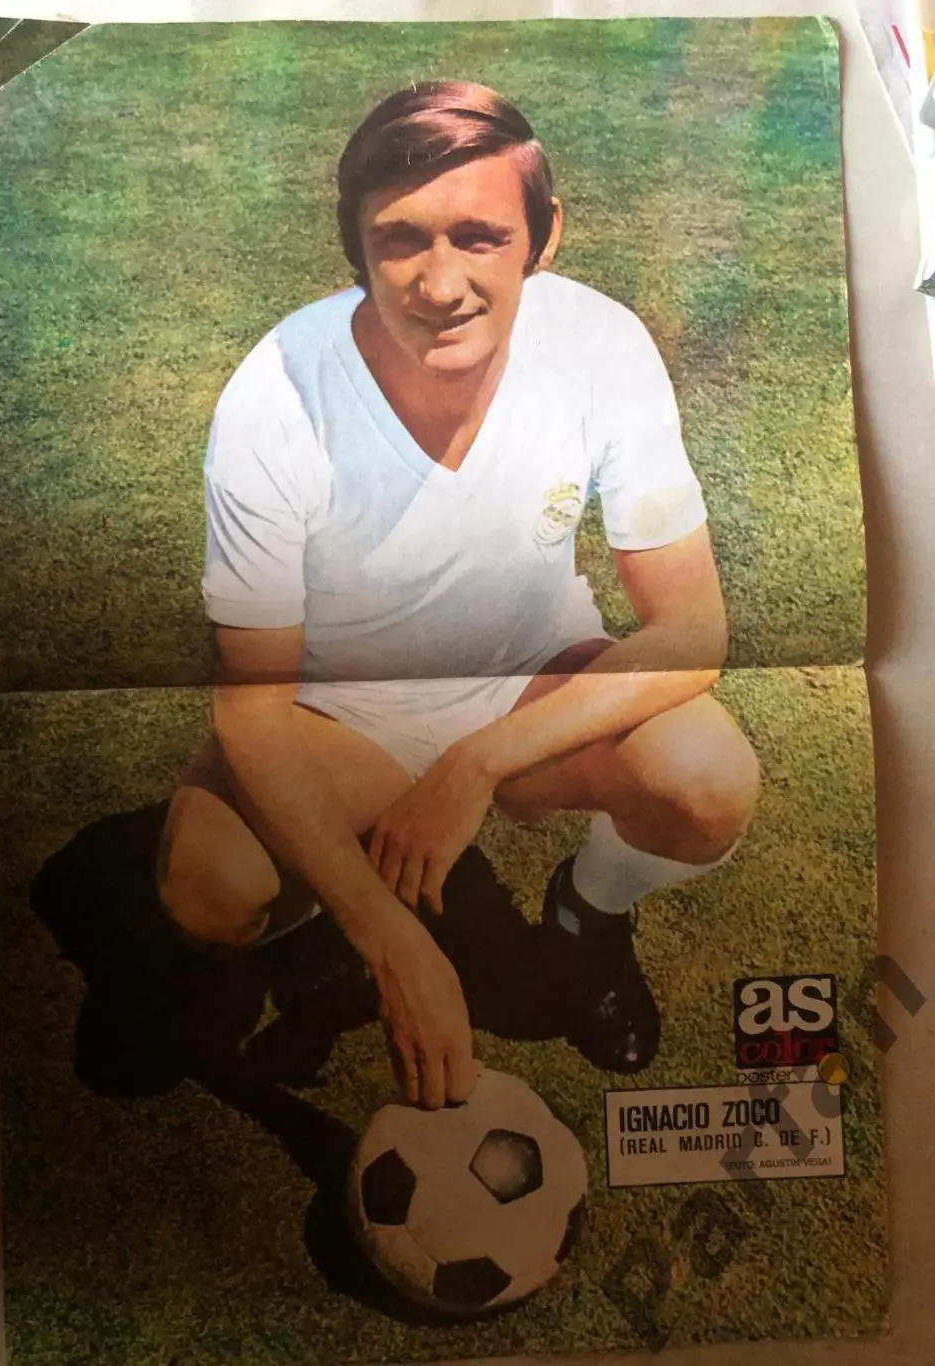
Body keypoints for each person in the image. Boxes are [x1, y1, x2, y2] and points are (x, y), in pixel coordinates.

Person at [157, 81, 761, 1111]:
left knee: (705, 782)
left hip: (528, 675)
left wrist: (477, 763)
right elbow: (251, 709)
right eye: (400, 240)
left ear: (543, 235)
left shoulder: (601, 344)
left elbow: (691, 627)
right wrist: (390, 940)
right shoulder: (275, 395)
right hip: (341, 713)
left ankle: (587, 914)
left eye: (479, 237)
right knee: (208, 889)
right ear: (355, 246)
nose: (439, 285)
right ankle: (331, 935)